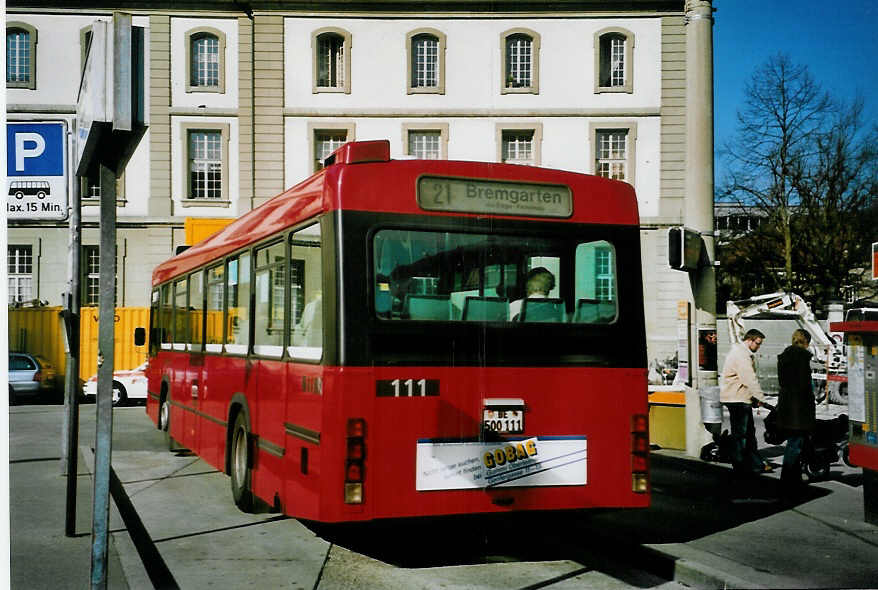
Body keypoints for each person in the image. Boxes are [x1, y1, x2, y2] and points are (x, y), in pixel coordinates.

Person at [720, 328, 771, 476]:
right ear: (749, 340)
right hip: (737, 399)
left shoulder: (741, 352)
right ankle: (740, 465)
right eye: (757, 343)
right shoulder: (742, 355)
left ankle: (752, 463)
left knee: (747, 433)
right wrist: (761, 398)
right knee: (742, 434)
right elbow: (749, 379)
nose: (758, 347)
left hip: (738, 397)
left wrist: (755, 398)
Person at [776, 328, 816, 497]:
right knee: (795, 443)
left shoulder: (784, 357)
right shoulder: (801, 358)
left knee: (794, 442)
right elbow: (804, 388)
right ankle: (788, 479)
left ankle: (791, 477)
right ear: (806, 342)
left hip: (787, 407)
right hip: (798, 409)